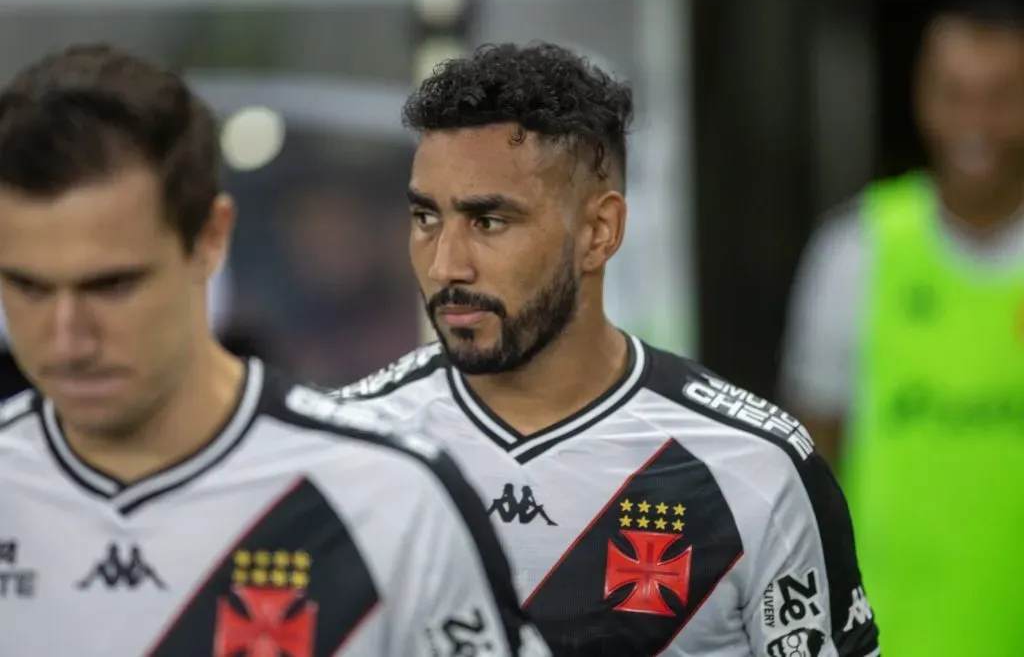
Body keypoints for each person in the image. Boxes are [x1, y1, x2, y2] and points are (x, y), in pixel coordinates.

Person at [332, 42, 881, 657]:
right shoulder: (344, 451)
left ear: (599, 232)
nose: (445, 264)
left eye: (488, 221)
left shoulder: (754, 468)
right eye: (426, 217)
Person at [0, 43, 548, 657]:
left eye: (113, 285)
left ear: (211, 240)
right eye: (27, 286)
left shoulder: (391, 499)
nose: (68, 338)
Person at [780, 0, 1024, 656]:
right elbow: (808, 470)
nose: (975, 121)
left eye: (1002, 95)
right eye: (954, 92)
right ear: (920, 95)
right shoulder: (856, 250)